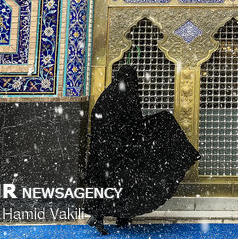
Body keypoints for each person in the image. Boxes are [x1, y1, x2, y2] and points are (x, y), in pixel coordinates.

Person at [84, 65, 200, 235]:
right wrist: (157, 125)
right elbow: (134, 126)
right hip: (118, 151)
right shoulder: (126, 97)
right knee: (126, 181)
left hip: (103, 152)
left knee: (108, 182)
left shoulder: (106, 97)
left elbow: (102, 122)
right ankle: (112, 215)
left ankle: (107, 216)